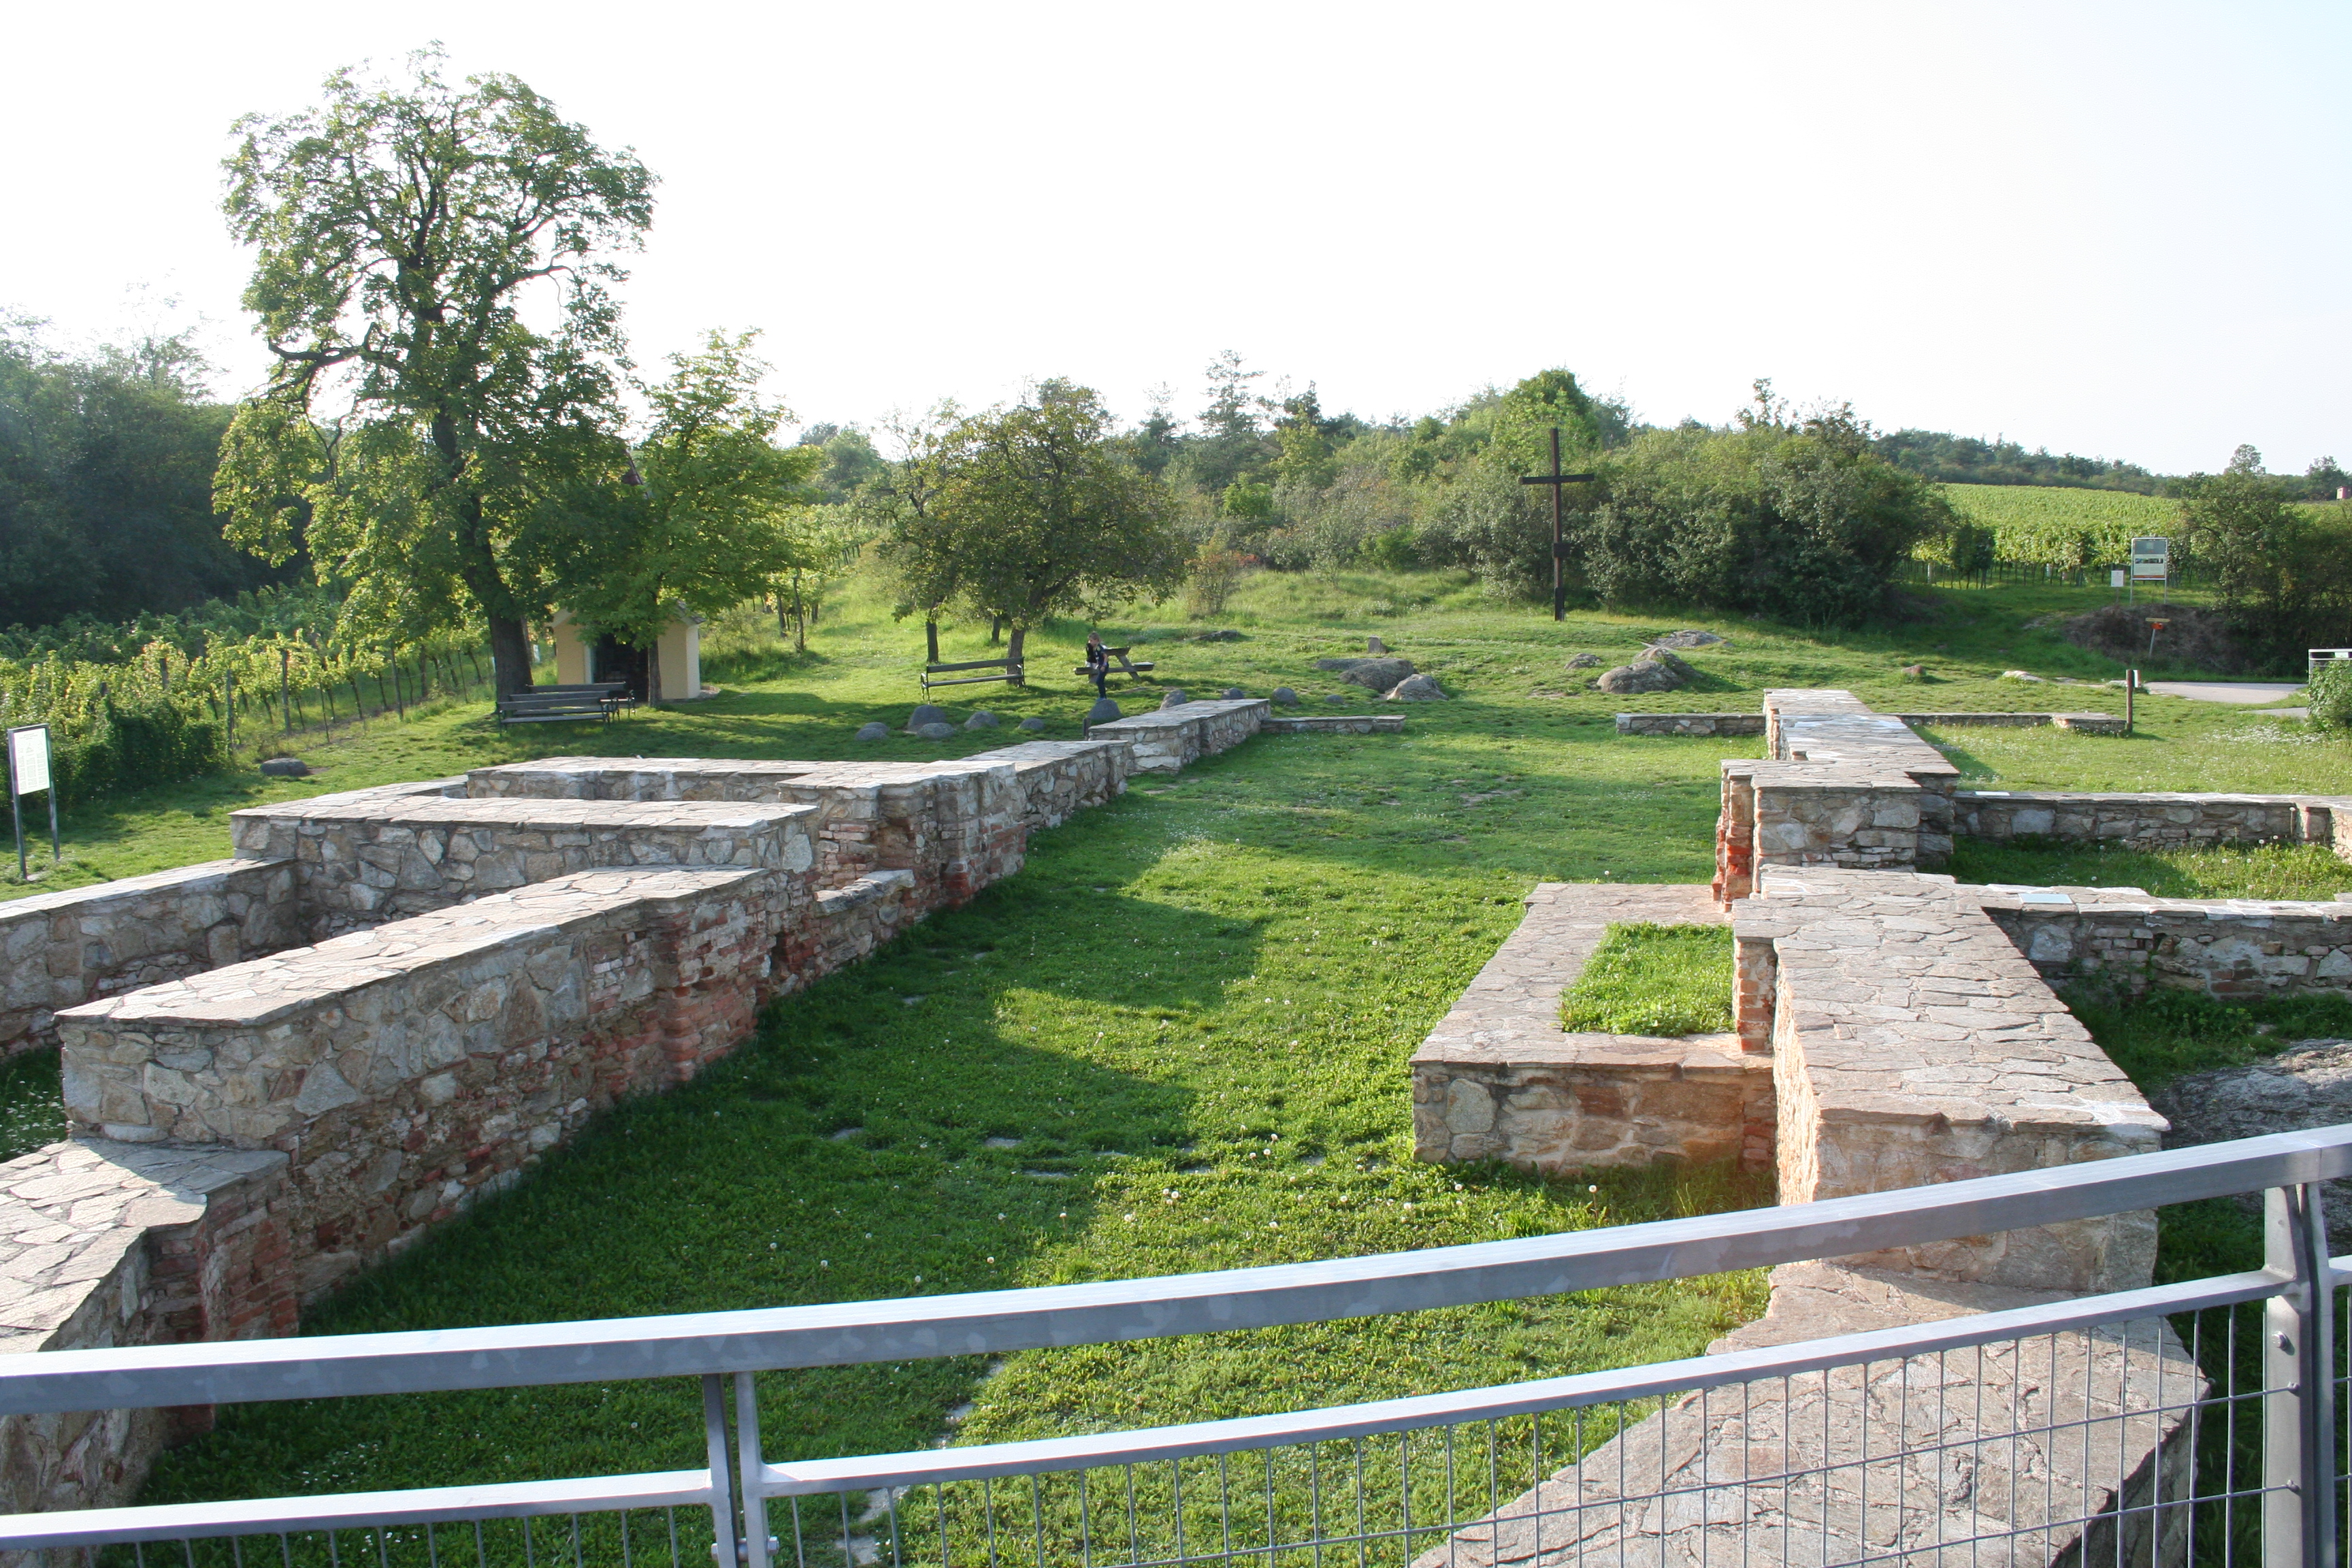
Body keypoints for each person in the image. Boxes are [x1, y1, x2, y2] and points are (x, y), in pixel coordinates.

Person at [1084, 632, 1111, 698]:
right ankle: (1102, 696)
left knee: (1099, 681)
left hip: (1103, 666)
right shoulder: (1095, 648)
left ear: (1096, 640)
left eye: (1091, 640)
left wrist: (1104, 665)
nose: (1090, 642)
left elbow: (1105, 657)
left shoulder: (1099, 648)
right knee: (1100, 681)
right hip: (1100, 666)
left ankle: (1103, 696)